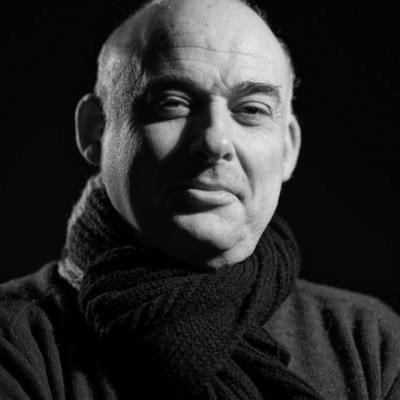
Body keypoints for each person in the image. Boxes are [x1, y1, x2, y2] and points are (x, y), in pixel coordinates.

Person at [1, 0, 399, 398]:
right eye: (173, 102)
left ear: (289, 149)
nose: (215, 141)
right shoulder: (15, 343)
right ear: (96, 130)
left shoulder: (374, 342)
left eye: (252, 110)